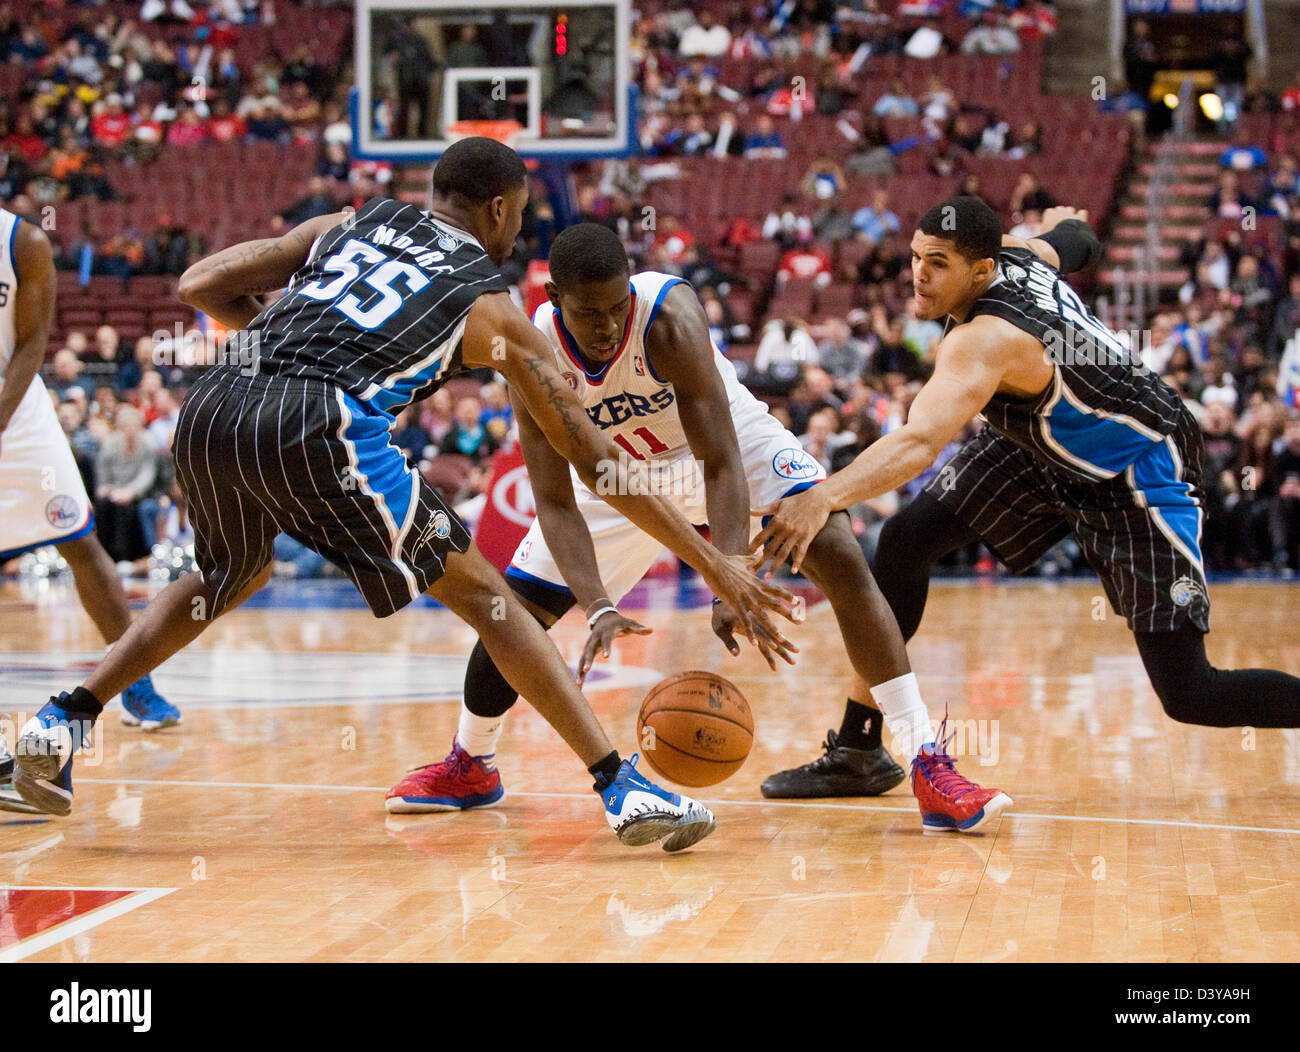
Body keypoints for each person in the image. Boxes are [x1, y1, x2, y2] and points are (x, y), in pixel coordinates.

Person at [12, 139, 796, 852]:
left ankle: (60, 723)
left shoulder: (347, 223)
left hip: (217, 403)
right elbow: (595, 463)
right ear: (499, 208)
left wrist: (271, 350)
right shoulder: (492, 305)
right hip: (324, 424)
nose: (515, 230)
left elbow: (202, 283)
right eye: (518, 215)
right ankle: (619, 788)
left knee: (226, 578)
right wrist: (711, 560)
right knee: (493, 601)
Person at [424, 223, 1007, 834]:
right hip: (613, 474)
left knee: (833, 544)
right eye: (588, 313)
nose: (605, 327)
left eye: (616, 307)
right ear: (554, 299)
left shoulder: (667, 315)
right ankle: (472, 761)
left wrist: (732, 574)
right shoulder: (529, 348)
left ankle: (925, 762)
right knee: (514, 612)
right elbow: (555, 500)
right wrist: (596, 606)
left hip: (722, 446)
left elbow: (720, 461)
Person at [752, 197, 1300, 777]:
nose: (918, 274)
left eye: (937, 263)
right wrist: (1062, 223)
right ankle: (860, 748)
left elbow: (918, 443)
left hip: (1138, 461)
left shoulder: (982, 340)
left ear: (981, 270)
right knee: (907, 538)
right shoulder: (1021, 254)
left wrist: (822, 496)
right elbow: (1079, 239)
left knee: (1191, 694)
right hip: (1043, 442)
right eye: (914, 258)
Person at [0, 207, 178, 813]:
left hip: (18, 416)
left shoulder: (21, 240)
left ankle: (135, 686)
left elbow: (31, 344)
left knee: (79, 542)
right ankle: (12, 760)